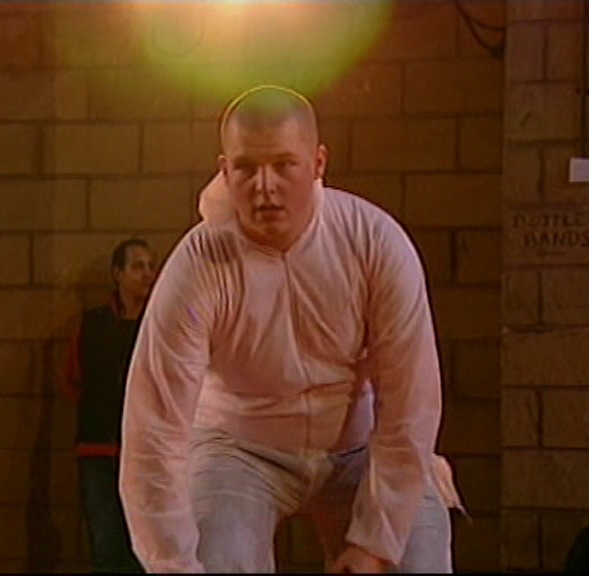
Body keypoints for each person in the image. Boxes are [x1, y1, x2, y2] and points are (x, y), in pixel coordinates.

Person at [119, 84, 448, 573]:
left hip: (356, 445)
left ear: (317, 163)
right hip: (237, 448)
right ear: (224, 170)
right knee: (218, 560)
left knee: (418, 553)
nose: (264, 186)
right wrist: (172, 564)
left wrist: (377, 543)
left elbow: (411, 400)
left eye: (283, 165)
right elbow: (154, 426)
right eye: (246, 168)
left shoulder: (374, 241)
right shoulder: (199, 264)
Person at [64, 238, 157, 573]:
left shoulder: (161, 324)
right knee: (105, 546)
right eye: (137, 266)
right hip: (98, 452)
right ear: (117, 274)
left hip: (148, 454)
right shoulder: (92, 323)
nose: (147, 274)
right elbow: (73, 378)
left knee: (147, 548)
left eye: (151, 266)